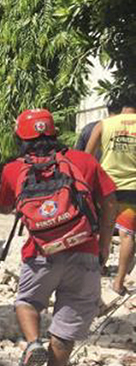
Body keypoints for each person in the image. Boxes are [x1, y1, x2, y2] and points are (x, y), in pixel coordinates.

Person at [0, 108, 117, 366]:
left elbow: (4, 207)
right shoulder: (85, 161)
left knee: (27, 301)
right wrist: (104, 247)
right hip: (84, 250)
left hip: (41, 252)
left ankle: (34, 343)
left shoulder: (14, 168)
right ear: (54, 132)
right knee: (66, 328)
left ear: (20, 137)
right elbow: (109, 201)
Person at [85, 93, 136, 295]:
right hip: (133, 188)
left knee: (104, 230)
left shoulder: (104, 124)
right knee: (128, 235)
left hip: (106, 187)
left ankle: (98, 271)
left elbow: (86, 157)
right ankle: (118, 282)